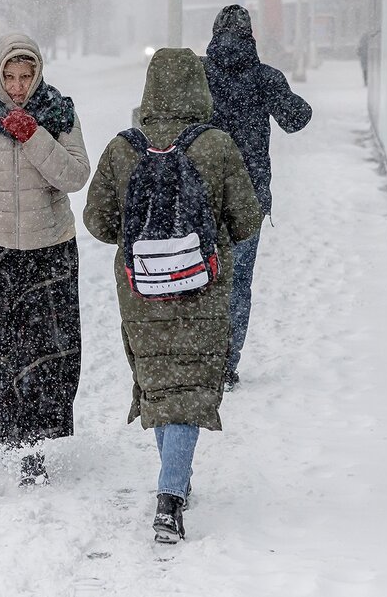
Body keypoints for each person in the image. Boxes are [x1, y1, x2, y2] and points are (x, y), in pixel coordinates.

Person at [83, 47, 263, 543]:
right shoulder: (217, 145)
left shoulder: (124, 147)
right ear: (199, 88)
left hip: (141, 290)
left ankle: (173, 482)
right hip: (203, 285)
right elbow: (246, 220)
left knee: (162, 385)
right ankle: (170, 496)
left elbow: (97, 222)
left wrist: (141, 238)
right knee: (187, 390)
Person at [0, 32, 91, 486]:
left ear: (39, 72)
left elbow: (76, 175)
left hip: (50, 251)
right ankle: (14, 435)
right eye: (10, 76)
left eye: (27, 76)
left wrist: (34, 135)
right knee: (2, 349)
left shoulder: (60, 113)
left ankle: (34, 441)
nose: (19, 86)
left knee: (46, 352)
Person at [203, 5, 313, 390]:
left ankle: (198, 356)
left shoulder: (199, 75)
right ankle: (226, 364)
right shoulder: (264, 78)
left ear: (214, 34)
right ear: (251, 37)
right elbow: (296, 119)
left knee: (198, 275)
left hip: (202, 196)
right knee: (237, 282)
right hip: (248, 197)